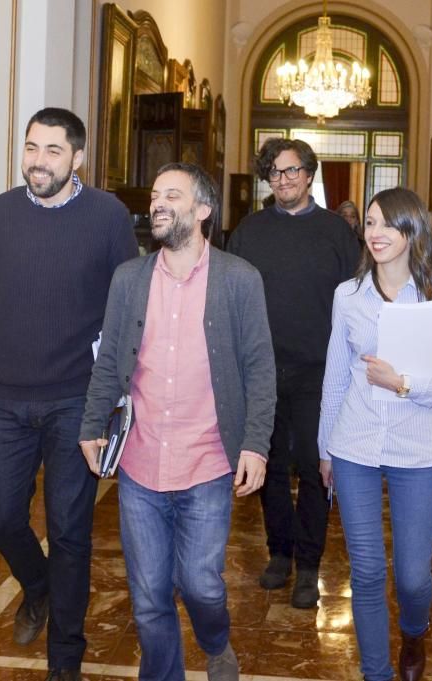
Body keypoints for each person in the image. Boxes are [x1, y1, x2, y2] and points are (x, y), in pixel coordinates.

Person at [0, 108, 138, 681]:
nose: (38, 161)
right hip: (4, 394)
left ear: (77, 157)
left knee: (70, 531)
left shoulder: (106, 216)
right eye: (31, 147)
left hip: (77, 398)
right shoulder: (1, 212)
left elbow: (128, 305)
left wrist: (121, 388)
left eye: (53, 150)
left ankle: (64, 659)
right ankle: (39, 586)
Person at [79, 162, 276, 681]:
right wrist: (91, 424)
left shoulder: (240, 280)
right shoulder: (129, 279)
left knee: (200, 584)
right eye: (155, 194)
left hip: (209, 460)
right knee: (147, 597)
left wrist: (255, 444)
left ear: (203, 210)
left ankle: (215, 643)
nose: (157, 203)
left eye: (172, 194)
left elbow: (260, 367)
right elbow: (108, 361)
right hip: (141, 463)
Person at [318, 188, 432, 681]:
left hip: (418, 447)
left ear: (412, 231)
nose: (375, 233)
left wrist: (404, 383)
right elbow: (336, 377)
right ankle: (376, 673)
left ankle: (414, 630)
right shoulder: (348, 295)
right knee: (364, 569)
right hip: (354, 444)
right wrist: (325, 450)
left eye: (387, 223)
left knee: (412, 577)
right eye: (370, 223)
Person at [226, 138, 361, 608]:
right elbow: (230, 298)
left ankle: (309, 564)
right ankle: (279, 553)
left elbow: (357, 303)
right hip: (260, 371)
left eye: (291, 171)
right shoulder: (248, 231)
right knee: (269, 466)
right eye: (274, 173)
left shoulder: (336, 234)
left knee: (313, 465)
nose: (282, 180)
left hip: (319, 372)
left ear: (309, 174)